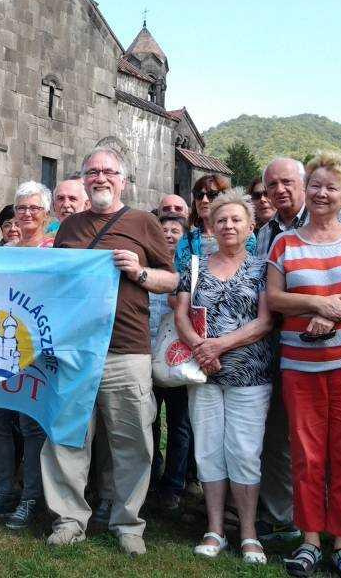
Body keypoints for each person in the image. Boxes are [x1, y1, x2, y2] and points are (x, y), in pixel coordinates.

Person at [40, 146, 178, 557]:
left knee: (132, 440)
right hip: (76, 349)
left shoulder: (143, 222)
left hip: (126, 348)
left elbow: (171, 280)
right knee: (68, 437)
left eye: (108, 172)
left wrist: (138, 271)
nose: (100, 177)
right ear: (84, 180)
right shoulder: (69, 227)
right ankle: (68, 520)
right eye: (92, 172)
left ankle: (128, 523)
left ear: (123, 180)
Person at [266, 151, 341, 577]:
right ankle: (311, 540)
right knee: (307, 455)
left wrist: (333, 311)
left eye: (331, 187)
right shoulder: (284, 243)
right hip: (300, 366)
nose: (321, 193)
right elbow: (275, 298)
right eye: (315, 185)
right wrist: (317, 305)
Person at [254, 157, 341, 543]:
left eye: (287, 182)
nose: (279, 190)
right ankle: (285, 516)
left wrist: (326, 311)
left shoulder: (339, 221)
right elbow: (268, 292)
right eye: (271, 185)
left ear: (304, 183)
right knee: (280, 432)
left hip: (332, 346)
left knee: (331, 438)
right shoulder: (266, 233)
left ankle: (334, 522)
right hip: (280, 345)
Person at [174, 188, 274, 564]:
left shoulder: (263, 267)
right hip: (203, 374)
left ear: (250, 226)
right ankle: (214, 529)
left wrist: (219, 346)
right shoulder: (194, 266)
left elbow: (265, 321)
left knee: (244, 452)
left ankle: (248, 533)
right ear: (211, 227)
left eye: (236, 219)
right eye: (221, 220)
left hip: (250, 374)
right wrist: (201, 348)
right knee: (207, 451)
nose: (228, 225)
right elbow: (181, 314)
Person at [0, 181, 52, 530]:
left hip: (36, 348)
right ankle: (3, 491)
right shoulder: (2, 253)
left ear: (46, 213)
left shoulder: (56, 250)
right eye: (21, 208)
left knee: (31, 424)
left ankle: (31, 497)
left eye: (34, 207)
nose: (27, 213)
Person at [148, 213, 191, 512]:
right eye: (163, 229)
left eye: (175, 230)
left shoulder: (190, 269)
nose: (169, 234)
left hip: (178, 356)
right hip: (146, 352)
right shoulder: (145, 266)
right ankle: (151, 477)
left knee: (179, 424)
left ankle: (174, 485)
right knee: (149, 421)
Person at [174, 173, 256, 276]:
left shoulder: (245, 236)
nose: (204, 200)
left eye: (212, 195)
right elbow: (180, 278)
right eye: (199, 195)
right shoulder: (186, 241)